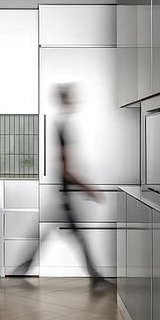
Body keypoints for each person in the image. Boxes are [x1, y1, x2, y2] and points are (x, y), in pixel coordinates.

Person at [16, 83, 107, 287]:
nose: (73, 101)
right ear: (65, 100)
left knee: (55, 235)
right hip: (63, 197)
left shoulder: (62, 124)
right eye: (70, 98)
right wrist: (87, 187)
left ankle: (21, 270)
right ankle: (95, 277)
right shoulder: (62, 127)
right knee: (74, 237)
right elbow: (64, 169)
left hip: (62, 195)